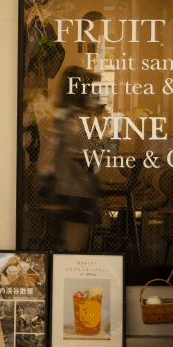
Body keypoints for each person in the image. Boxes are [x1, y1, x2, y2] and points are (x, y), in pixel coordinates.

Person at [37, 66, 104, 252]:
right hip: (78, 192)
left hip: (59, 190)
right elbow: (93, 156)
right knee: (73, 251)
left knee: (62, 250)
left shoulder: (61, 116)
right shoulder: (81, 120)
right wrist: (108, 139)